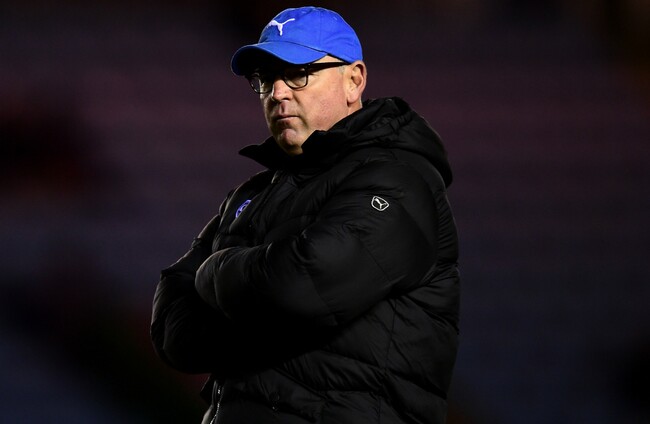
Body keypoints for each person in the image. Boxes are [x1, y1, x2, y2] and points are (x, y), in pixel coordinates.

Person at [151, 6, 460, 424]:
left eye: (298, 73)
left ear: (354, 80)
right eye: (265, 78)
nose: (277, 92)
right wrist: (266, 306)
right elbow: (173, 332)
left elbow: (302, 284)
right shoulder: (251, 194)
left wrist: (215, 272)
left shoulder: (398, 180)